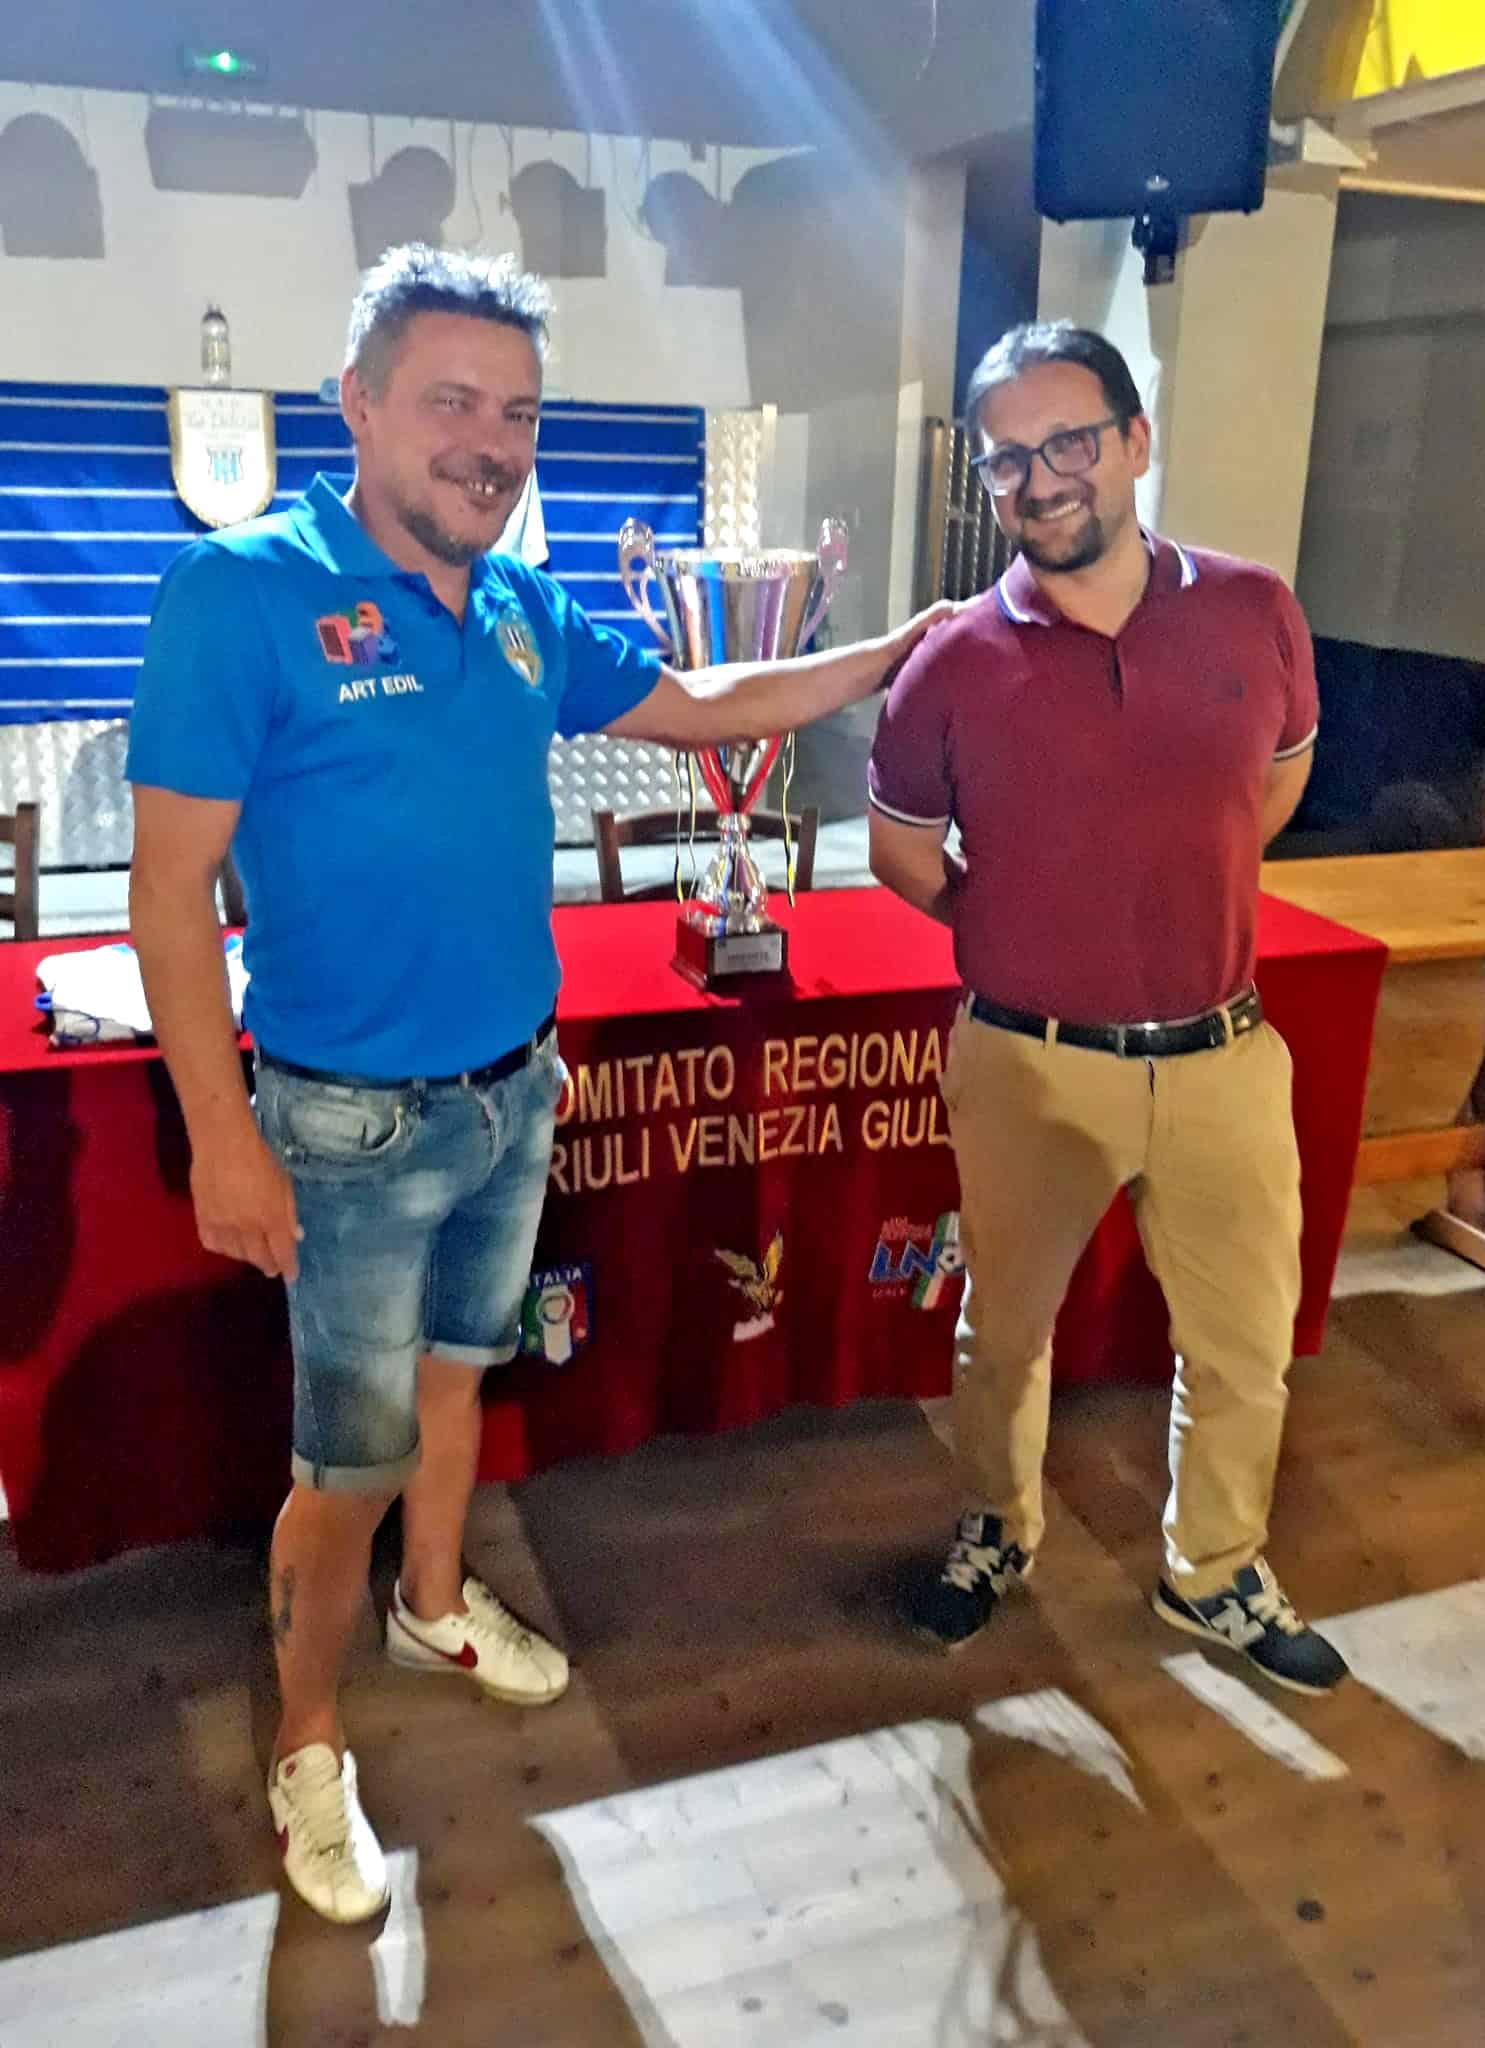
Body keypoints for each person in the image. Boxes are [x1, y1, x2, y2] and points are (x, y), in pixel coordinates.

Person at [128, 244, 951, 1924]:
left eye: (516, 414)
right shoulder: (240, 592)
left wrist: (894, 649)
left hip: (515, 1090)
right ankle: (306, 1743)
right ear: (357, 405)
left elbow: (703, 698)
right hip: (346, 1121)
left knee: (457, 1384)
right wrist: (222, 1137)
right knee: (342, 1469)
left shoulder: (517, 606)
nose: (491, 443)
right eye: (453, 401)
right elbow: (167, 890)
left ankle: (435, 1606)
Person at [867, 320, 1348, 1698]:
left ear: (1136, 442)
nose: (1040, 478)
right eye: (1008, 457)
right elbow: (903, 854)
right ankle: (996, 1528)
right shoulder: (952, 660)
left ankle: (1217, 1570)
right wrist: (1024, 926)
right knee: (1003, 1335)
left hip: (1223, 1055)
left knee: (1243, 1344)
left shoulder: (1256, 610)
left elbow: (1271, 788)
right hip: (1028, 1062)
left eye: (1070, 440)